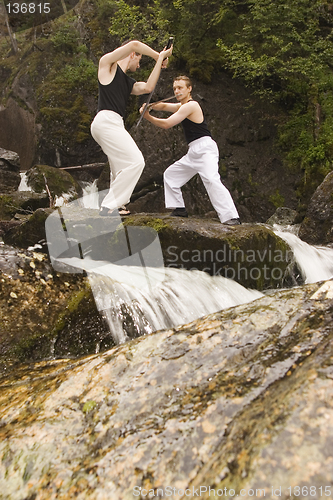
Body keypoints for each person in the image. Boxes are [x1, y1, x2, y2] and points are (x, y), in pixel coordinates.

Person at [140, 75, 241, 225]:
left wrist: (147, 116)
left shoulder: (191, 105)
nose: (176, 91)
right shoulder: (182, 105)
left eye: (180, 88)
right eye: (174, 88)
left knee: (211, 179)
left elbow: (167, 124)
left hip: (205, 148)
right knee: (171, 175)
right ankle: (179, 209)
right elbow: (164, 106)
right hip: (193, 151)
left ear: (189, 89)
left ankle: (231, 216)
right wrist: (151, 105)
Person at [90, 40, 173, 216]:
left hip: (111, 123)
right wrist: (158, 55)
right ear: (132, 55)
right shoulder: (107, 66)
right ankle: (109, 206)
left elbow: (148, 87)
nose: (139, 64)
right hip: (107, 120)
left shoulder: (128, 83)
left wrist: (159, 62)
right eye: (140, 59)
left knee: (119, 167)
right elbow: (135, 44)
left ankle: (117, 204)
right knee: (136, 161)